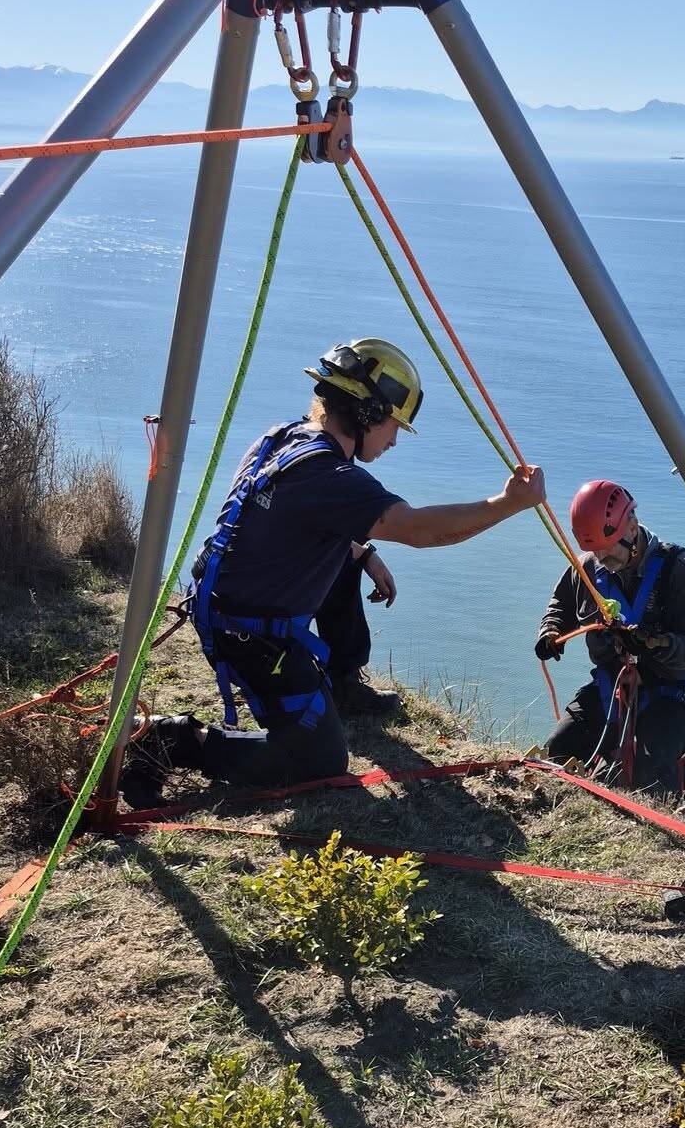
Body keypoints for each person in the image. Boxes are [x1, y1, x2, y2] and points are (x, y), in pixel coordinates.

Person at [122, 338, 544, 805]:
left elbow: (298, 521)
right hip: (253, 635)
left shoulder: (284, 438)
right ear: (366, 414)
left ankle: (339, 681)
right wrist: (508, 504)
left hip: (225, 604)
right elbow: (422, 531)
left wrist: (363, 554)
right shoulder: (331, 477)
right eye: (392, 424)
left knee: (347, 554)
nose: (394, 439)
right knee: (316, 763)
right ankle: (169, 741)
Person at [535, 479, 685, 794]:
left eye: (608, 547)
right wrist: (551, 630)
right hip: (610, 689)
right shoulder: (590, 567)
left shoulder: (682, 573)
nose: (602, 558)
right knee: (556, 753)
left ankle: (661, 832)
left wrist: (660, 644)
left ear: (632, 526)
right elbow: (562, 604)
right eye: (593, 551)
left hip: (668, 693)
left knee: (653, 771)